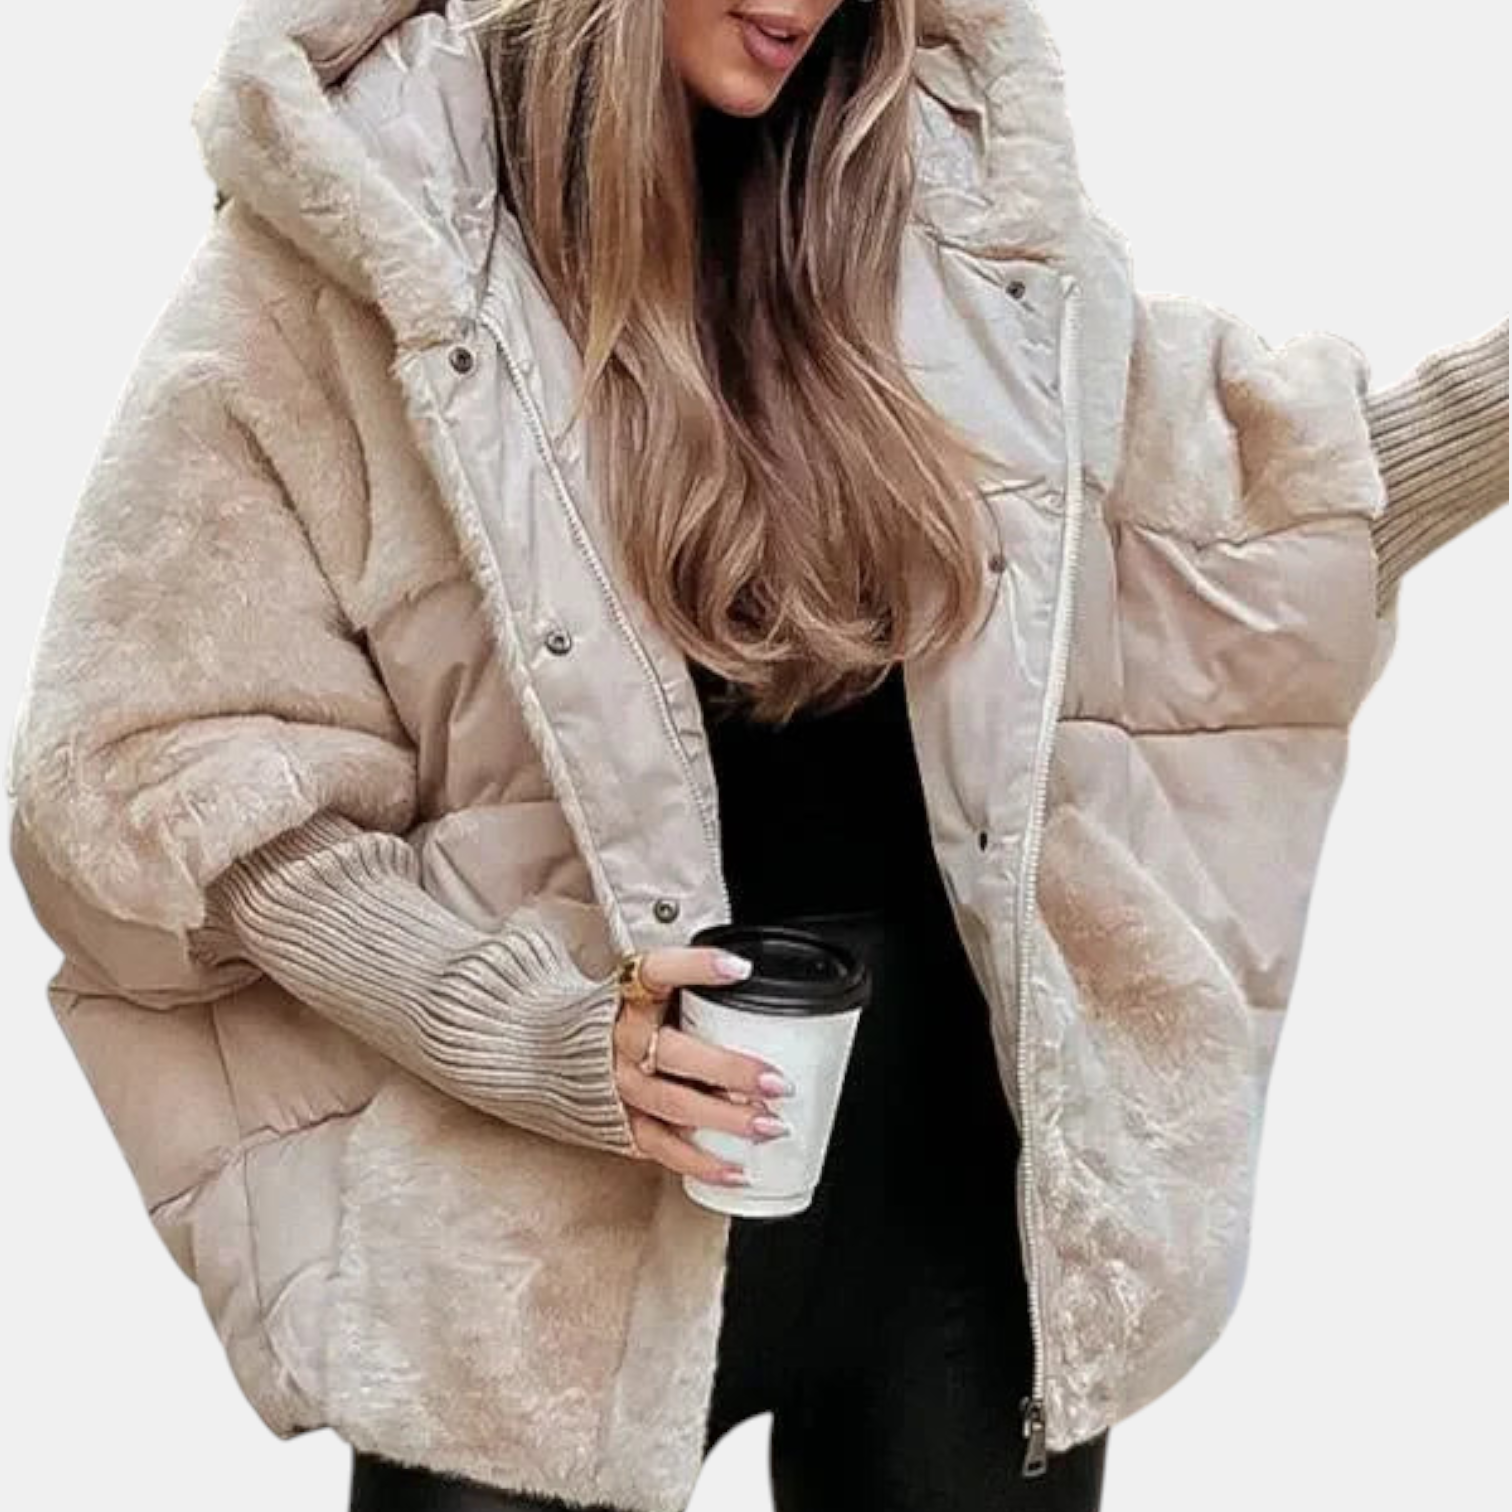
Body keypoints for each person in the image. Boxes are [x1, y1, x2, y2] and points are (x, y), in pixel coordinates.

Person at [6, 2, 1505, 1511]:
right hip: (538, 1236)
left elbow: (1250, 526)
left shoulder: (958, 208)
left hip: (954, 1207)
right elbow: (171, 752)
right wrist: (525, 1031)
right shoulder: (354, 231)